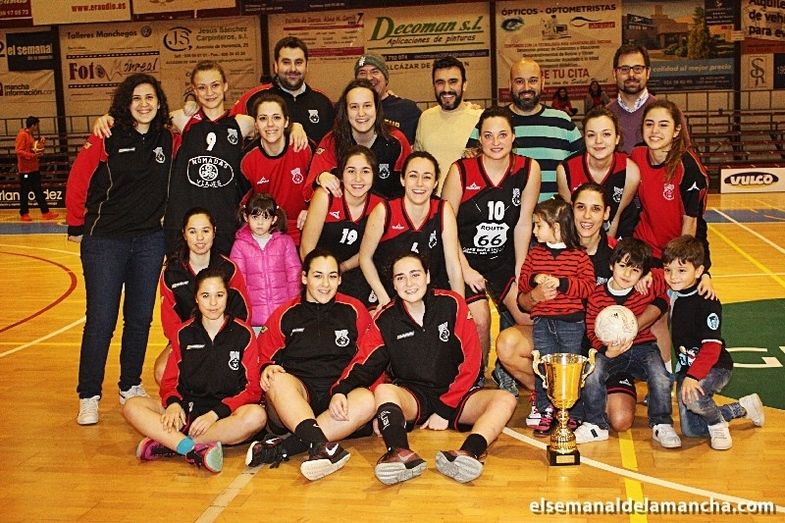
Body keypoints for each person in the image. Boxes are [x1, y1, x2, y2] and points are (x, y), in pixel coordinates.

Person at [332, 253, 517, 485]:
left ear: (428, 276)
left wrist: (445, 410)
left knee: (505, 399)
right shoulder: (386, 319)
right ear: (393, 284)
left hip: (456, 394)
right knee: (384, 391)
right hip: (414, 397)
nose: (409, 283)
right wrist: (341, 390)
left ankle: (468, 454)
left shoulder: (452, 304)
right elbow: (364, 362)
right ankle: (399, 453)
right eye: (400, 278)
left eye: (415, 274)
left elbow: (472, 362)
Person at [66, 74, 174, 425]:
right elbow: (79, 179)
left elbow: (200, 118)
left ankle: (130, 384)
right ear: (126, 103)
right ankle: (89, 395)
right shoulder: (107, 134)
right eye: (136, 98)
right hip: (105, 240)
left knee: (140, 318)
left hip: (149, 241)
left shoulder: (168, 138)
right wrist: (76, 225)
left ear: (159, 102)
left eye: (150, 97)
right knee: (101, 319)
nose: (143, 104)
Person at [496, 183, 636, 430]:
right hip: (553, 327)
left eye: (596, 209)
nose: (587, 216)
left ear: (606, 213)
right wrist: (535, 294)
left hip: (599, 345)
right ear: (570, 212)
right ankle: (549, 403)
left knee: (620, 419)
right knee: (516, 348)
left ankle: (573, 402)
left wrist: (647, 276)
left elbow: (654, 281)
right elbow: (522, 301)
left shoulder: (620, 254)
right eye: (580, 207)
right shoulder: (539, 251)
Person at [93, 61, 256, 255]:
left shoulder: (244, 123)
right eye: (202, 87)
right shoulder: (181, 119)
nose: (209, 93)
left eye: (215, 85)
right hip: (183, 222)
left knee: (222, 274)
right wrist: (108, 117)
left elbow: (272, 130)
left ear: (225, 86)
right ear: (194, 90)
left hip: (224, 220)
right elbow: (144, 113)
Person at [247, 249, 376, 480]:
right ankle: (319, 443)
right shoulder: (285, 314)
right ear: (304, 277)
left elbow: (371, 358)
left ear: (340, 279)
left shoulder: (354, 310)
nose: (325, 284)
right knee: (276, 379)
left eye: (332, 276)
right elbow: (261, 356)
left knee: (368, 400)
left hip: (339, 397)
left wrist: (348, 394)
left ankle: (291, 447)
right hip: (298, 399)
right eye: (318, 276)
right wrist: (266, 367)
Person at [123, 267, 266, 473]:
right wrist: (173, 404)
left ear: (228, 296)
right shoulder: (183, 334)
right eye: (205, 296)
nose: (213, 303)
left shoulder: (243, 334)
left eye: (219, 295)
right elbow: (170, 381)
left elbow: (252, 389)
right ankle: (191, 448)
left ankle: (172, 442)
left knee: (256, 416)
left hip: (225, 416)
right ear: (196, 299)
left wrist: (214, 414)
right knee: (132, 405)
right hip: (186, 412)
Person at [442, 106, 540, 389]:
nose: (496, 142)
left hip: (502, 259)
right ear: (480, 139)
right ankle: (477, 378)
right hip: (464, 257)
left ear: (513, 137)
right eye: (488, 136)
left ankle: (509, 368)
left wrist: (521, 267)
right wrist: (465, 269)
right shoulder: (461, 170)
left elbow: (523, 223)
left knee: (530, 315)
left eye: (502, 135)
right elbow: (445, 223)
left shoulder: (528, 169)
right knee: (481, 319)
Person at [575, 238, 679, 447]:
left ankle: (661, 423)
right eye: (622, 266)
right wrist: (605, 351)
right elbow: (591, 329)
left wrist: (650, 275)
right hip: (610, 351)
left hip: (642, 347)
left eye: (635, 270)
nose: (627, 274)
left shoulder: (644, 288)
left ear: (642, 274)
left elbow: (668, 281)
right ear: (611, 265)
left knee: (660, 375)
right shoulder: (597, 296)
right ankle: (595, 424)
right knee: (592, 373)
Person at [663, 236, 764, 449]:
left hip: (715, 366)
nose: (673, 277)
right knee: (692, 430)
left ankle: (718, 425)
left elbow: (712, 347)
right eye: (668, 270)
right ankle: (743, 408)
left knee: (694, 400)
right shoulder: (673, 292)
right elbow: (655, 275)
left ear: (699, 271)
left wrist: (693, 376)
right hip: (688, 368)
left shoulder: (707, 301)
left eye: (681, 270)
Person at [518, 197, 595, 436]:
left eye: (539, 225)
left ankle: (574, 412)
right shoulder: (535, 255)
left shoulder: (579, 256)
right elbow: (523, 282)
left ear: (557, 227)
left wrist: (562, 283)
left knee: (572, 368)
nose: (534, 230)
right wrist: (535, 280)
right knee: (544, 366)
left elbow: (588, 287)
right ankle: (545, 409)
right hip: (543, 323)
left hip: (571, 323)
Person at [466, 58, 582, 202]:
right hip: (506, 214)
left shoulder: (563, 122)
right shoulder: (491, 122)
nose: (526, 88)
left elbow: (582, 169)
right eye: (519, 81)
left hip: (555, 214)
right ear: (510, 85)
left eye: (533, 80)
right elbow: (470, 168)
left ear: (543, 83)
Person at [157, 207, 251, 384]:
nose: (200, 238)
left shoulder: (228, 269)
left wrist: (225, 339)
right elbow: (170, 322)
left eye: (205, 231)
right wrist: (190, 342)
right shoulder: (172, 274)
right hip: (188, 339)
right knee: (162, 370)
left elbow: (243, 312)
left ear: (214, 232)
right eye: (193, 232)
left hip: (226, 338)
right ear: (184, 234)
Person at [359, 151, 464, 307]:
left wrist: (460, 306)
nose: (419, 183)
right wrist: (383, 298)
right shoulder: (384, 211)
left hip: (429, 288)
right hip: (390, 290)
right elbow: (365, 258)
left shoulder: (443, 210)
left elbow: (453, 265)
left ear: (435, 183)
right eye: (413, 176)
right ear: (403, 180)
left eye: (427, 177)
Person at [300, 146, 385, 308]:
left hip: (354, 271)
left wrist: (342, 268)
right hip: (320, 271)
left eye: (365, 171)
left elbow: (367, 252)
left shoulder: (380, 206)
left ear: (374, 175)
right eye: (351, 171)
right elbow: (306, 249)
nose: (358, 178)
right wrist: (324, 277)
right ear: (341, 174)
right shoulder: (326, 196)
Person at [306, 79, 411, 201]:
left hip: (387, 211)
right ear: (346, 111)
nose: (361, 113)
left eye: (367, 106)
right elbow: (308, 192)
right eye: (354, 107)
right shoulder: (332, 141)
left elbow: (411, 185)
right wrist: (320, 178)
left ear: (376, 108)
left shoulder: (396, 140)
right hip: (345, 212)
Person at [232, 36, 335, 146]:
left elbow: (332, 146)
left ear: (307, 66)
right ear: (276, 66)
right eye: (286, 62)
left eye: (298, 62)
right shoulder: (252, 99)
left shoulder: (322, 102)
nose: (293, 69)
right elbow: (229, 136)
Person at [556, 106, 640, 238]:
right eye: (591, 135)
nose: (598, 141)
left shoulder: (630, 172)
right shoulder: (566, 170)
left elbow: (615, 219)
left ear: (617, 138)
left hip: (618, 236)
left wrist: (605, 249)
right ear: (584, 139)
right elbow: (571, 219)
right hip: (578, 237)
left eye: (606, 134)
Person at [239, 92, 312, 244]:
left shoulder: (304, 146)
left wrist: (313, 210)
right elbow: (242, 205)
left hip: (306, 228)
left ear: (286, 122)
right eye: (263, 118)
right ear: (256, 125)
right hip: (268, 234)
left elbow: (322, 184)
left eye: (276, 117)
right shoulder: (247, 159)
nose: (270, 124)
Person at [230, 193, 301, 333]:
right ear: (246, 217)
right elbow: (238, 284)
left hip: (282, 316)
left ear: (274, 219)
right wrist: (243, 314)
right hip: (253, 320)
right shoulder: (239, 246)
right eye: (255, 217)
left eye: (266, 217)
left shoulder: (285, 242)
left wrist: (294, 308)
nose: (260, 223)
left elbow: (294, 278)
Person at [413, 56, 482, 193]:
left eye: (453, 82)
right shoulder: (425, 118)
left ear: (464, 84)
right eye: (440, 82)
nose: (446, 89)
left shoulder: (481, 118)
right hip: (432, 202)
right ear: (434, 86)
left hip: (469, 201)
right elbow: (418, 162)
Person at [607, 44, 691, 154]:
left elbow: (684, 157)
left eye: (638, 69)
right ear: (614, 74)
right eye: (624, 69)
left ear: (648, 73)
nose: (631, 75)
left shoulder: (670, 113)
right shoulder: (605, 115)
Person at [355, 54, 421, 145]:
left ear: (386, 79)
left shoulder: (407, 109)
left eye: (375, 72)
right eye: (362, 73)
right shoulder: (346, 110)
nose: (368, 78)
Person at [15, 116, 58, 222]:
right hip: (25, 170)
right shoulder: (22, 135)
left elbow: (34, 149)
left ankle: (45, 212)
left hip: (33, 168)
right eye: (36, 125)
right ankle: (24, 213)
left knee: (38, 190)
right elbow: (19, 151)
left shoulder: (30, 135)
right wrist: (32, 155)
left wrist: (41, 145)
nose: (37, 127)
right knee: (24, 191)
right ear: (33, 125)